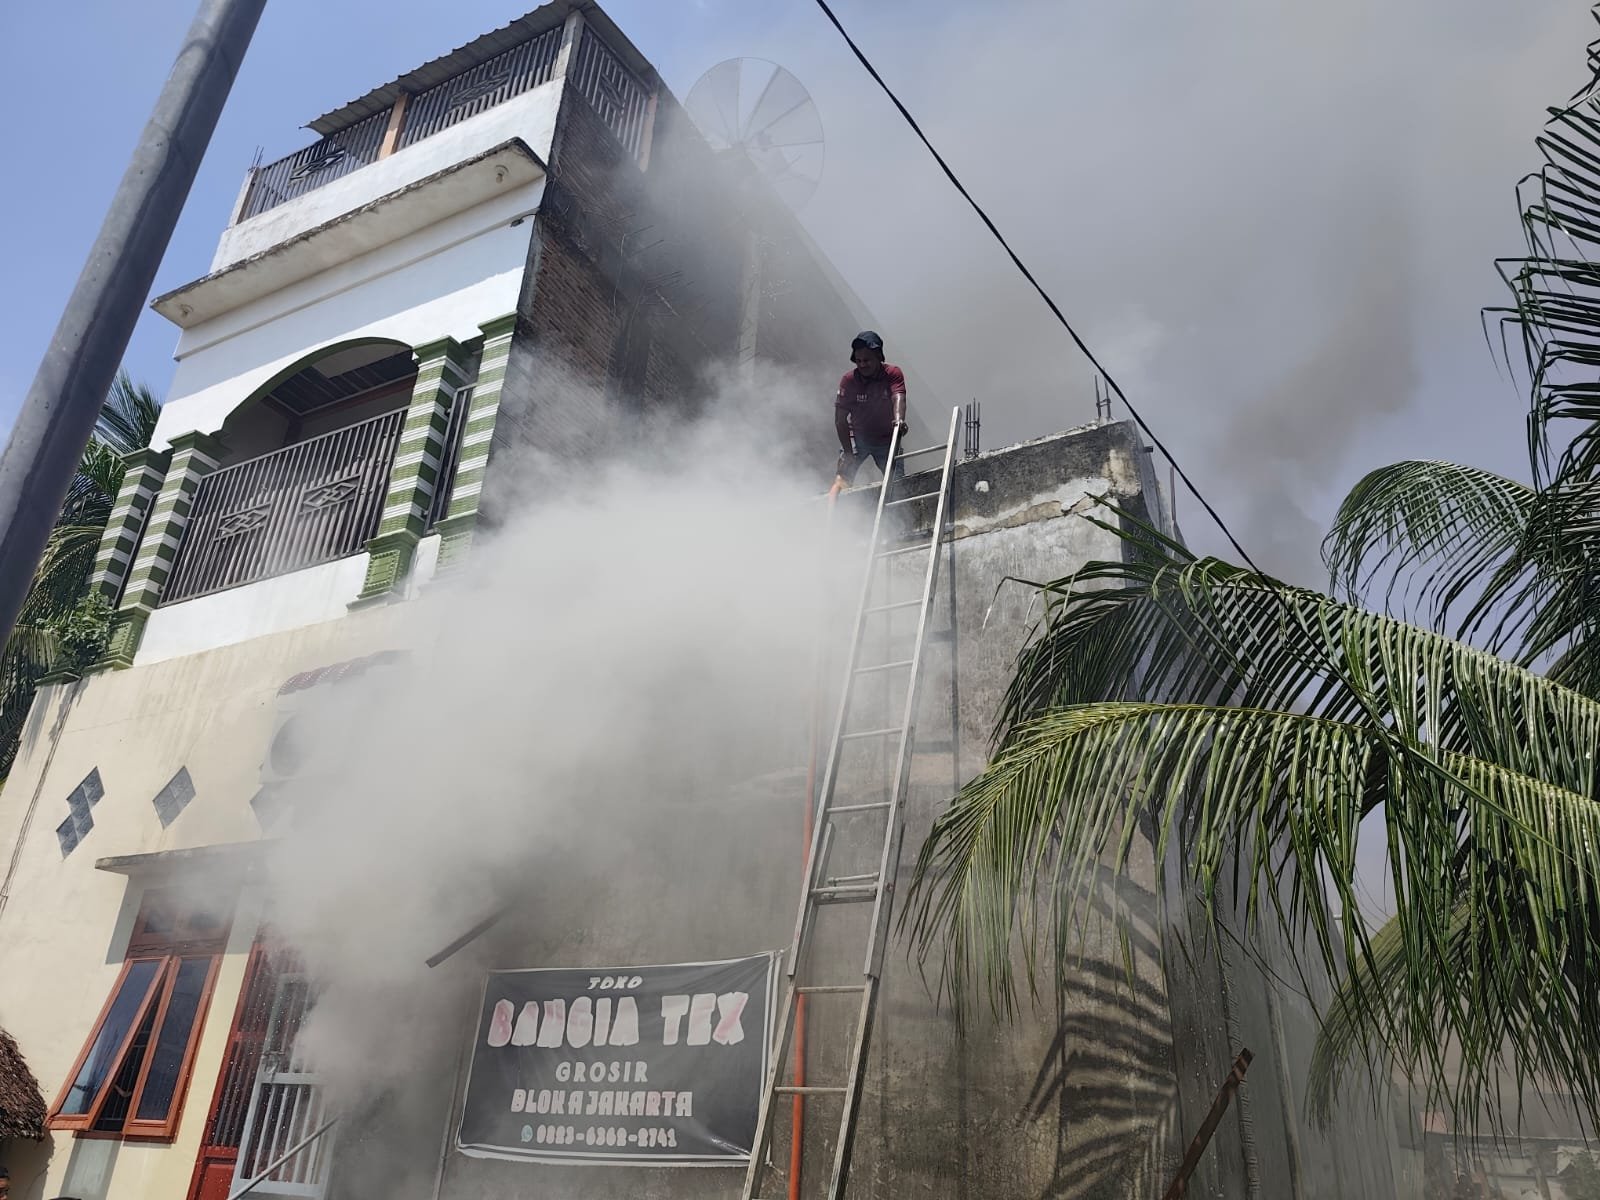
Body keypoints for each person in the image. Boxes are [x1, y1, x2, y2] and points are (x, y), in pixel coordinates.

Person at [831, 331, 908, 494]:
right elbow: (840, 420)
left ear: (879, 357)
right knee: (841, 482)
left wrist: (899, 420)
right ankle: (831, 516)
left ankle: (898, 517)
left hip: (886, 439)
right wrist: (848, 453)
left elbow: (898, 397)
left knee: (898, 485)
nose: (862, 365)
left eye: (867, 360)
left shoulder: (893, 374)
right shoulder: (849, 380)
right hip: (857, 438)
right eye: (858, 361)